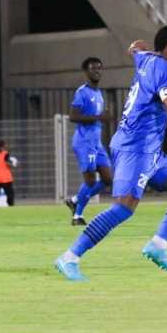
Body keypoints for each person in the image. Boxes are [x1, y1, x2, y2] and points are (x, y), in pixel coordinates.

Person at [54, 26, 167, 281]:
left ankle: (158, 245)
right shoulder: (165, 71)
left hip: (149, 151)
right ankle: (69, 257)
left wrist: (138, 49)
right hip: (134, 148)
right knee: (124, 208)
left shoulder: (146, 58)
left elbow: (135, 47)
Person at [64, 57, 113, 226]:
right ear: (86, 71)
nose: (97, 71)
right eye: (93, 68)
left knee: (108, 179)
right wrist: (99, 117)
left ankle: (76, 199)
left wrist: (103, 118)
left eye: (99, 68)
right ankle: (77, 216)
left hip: (96, 143)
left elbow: (98, 119)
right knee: (90, 181)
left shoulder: (99, 94)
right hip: (84, 143)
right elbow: (73, 116)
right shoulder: (82, 92)